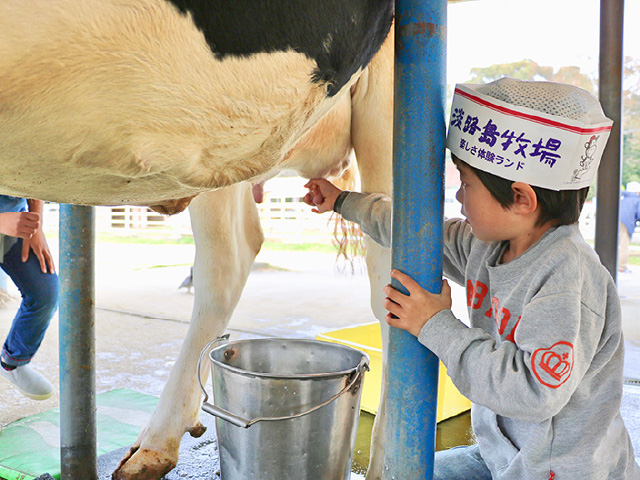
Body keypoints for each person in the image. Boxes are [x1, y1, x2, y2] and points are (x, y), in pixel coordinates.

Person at [304, 78, 640, 479]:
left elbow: (536, 391)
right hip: (501, 458)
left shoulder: (567, 277)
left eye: (465, 183)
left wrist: (435, 326)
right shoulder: (491, 243)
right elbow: (416, 232)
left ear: (521, 198)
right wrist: (344, 201)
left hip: (561, 473)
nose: (459, 197)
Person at [0, 195, 58, 400]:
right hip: (4, 221)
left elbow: (37, 172)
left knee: (44, 292)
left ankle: (12, 363)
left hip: (15, 219)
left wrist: (36, 224)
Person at [619, 181, 640, 272]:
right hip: (626, 223)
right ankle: (621, 266)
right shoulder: (637, 199)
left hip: (615, 220)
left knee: (614, 243)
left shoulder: (622, 197)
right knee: (624, 244)